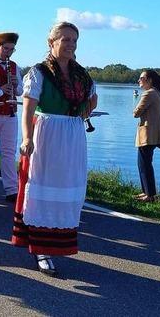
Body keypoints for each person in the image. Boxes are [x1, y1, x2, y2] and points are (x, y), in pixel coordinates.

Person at [13, 21, 97, 276]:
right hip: (47, 134)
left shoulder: (80, 73)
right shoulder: (39, 72)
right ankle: (41, 249)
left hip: (71, 135)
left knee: (66, 186)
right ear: (52, 42)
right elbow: (28, 107)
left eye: (74, 40)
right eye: (66, 39)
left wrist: (80, 112)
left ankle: (57, 243)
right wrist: (27, 138)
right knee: (43, 186)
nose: (71, 44)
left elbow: (93, 98)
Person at [0, 32, 23, 202]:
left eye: (12, 49)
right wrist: (1, 88)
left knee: (8, 152)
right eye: (6, 48)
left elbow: (22, 92)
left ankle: (11, 189)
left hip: (10, 113)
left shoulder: (15, 66)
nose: (8, 52)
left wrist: (15, 85)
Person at [133, 69, 160, 202]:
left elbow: (136, 113)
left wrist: (135, 109)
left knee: (144, 164)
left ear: (150, 80)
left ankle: (149, 195)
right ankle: (147, 192)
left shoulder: (148, 94)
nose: (139, 81)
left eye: (141, 78)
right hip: (155, 133)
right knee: (145, 163)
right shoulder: (158, 93)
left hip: (147, 135)